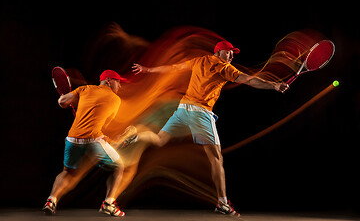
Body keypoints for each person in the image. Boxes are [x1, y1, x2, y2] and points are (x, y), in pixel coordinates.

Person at [131, 40, 289, 217]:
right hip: (200, 113)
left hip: (182, 109)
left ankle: (137, 134)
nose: (231, 56)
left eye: (232, 53)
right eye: (228, 52)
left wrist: (148, 70)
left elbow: (174, 68)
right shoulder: (224, 67)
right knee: (216, 159)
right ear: (218, 52)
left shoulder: (199, 60)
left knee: (159, 139)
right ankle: (222, 203)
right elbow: (249, 80)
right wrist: (274, 85)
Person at [43, 70, 130, 217]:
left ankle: (51, 201)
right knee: (119, 167)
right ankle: (109, 203)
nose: (120, 85)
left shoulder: (85, 89)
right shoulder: (115, 100)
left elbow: (62, 102)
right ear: (108, 80)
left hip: (72, 139)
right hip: (92, 140)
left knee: (67, 172)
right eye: (118, 81)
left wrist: (68, 102)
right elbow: (103, 125)